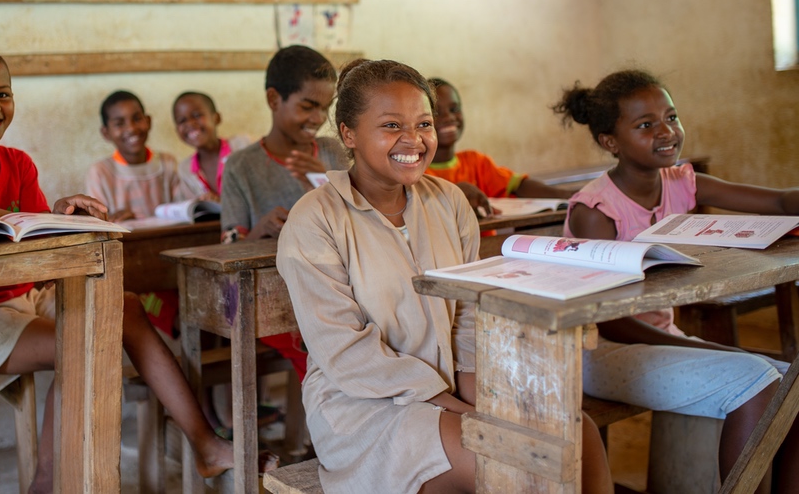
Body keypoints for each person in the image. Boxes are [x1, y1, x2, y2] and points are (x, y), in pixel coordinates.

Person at [0, 44, 274, 494]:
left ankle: (204, 445)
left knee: (126, 307)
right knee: (84, 342)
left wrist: (62, 216)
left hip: (21, 298)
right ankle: (46, 483)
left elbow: (40, 239)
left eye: (2, 94)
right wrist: (11, 217)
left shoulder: (19, 163)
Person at [277, 59, 612, 494]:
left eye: (424, 124)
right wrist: (458, 410)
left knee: (574, 429)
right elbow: (345, 353)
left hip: (451, 386)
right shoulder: (315, 219)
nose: (413, 140)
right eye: (391, 125)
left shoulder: (449, 202)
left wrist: (483, 398)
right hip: (364, 406)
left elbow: (469, 316)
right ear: (348, 134)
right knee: (513, 461)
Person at [554, 68, 799, 491]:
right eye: (645, 125)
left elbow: (778, 200)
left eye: (671, 116)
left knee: (793, 386)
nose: (666, 131)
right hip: (598, 352)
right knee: (756, 382)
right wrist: (693, 345)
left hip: (658, 340)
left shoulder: (681, 183)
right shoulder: (596, 210)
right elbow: (607, 318)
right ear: (611, 142)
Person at [220, 45, 349, 243]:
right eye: (307, 107)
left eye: (326, 108)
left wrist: (325, 186)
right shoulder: (240, 167)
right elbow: (228, 247)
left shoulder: (332, 151)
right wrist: (262, 228)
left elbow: (359, 224)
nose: (319, 118)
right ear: (273, 100)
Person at [426, 77, 571, 218]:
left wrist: (568, 196)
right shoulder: (418, 173)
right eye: (437, 112)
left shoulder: (476, 162)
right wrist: (456, 193)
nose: (449, 117)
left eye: (454, 109)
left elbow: (518, 186)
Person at [86, 90, 181, 222]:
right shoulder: (101, 172)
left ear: (148, 121)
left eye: (137, 119)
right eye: (119, 123)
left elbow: (181, 210)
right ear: (106, 133)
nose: (131, 128)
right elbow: (98, 222)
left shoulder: (167, 163)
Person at [171, 91, 250, 200]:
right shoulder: (185, 169)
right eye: (182, 120)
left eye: (197, 115)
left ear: (216, 118)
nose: (190, 124)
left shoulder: (243, 146)